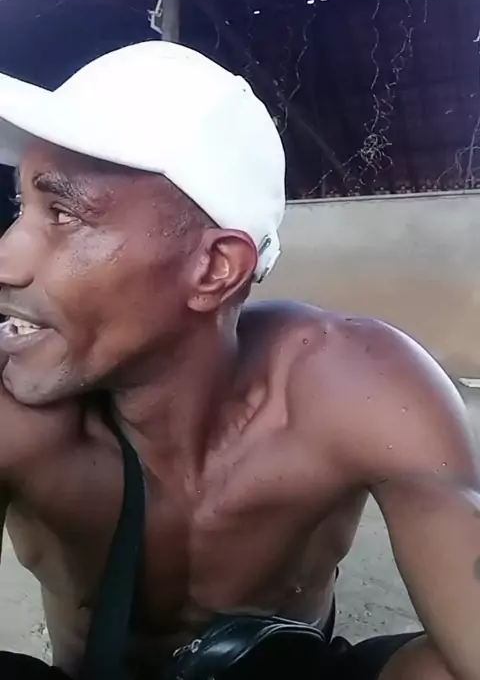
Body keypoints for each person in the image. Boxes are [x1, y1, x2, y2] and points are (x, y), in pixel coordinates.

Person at [0, 41, 478, 680]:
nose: (6, 260)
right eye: (21, 208)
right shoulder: (18, 418)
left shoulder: (358, 388)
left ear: (215, 268)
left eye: (62, 213)